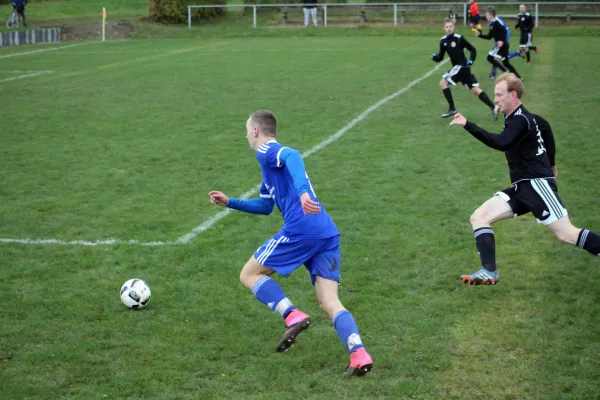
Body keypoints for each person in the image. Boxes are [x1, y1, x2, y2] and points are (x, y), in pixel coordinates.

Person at [208, 110, 373, 376]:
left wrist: (304, 192)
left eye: (246, 131)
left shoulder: (266, 151)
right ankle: (359, 353)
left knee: (249, 273)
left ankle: (292, 315)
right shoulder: (267, 167)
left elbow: (292, 155)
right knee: (329, 301)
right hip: (325, 232)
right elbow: (264, 206)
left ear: (255, 131)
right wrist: (231, 203)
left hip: (302, 230)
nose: (246, 137)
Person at [449, 73, 600, 285]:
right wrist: (552, 162)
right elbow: (545, 127)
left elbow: (502, 142)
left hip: (537, 185)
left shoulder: (520, 119)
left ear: (513, 95)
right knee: (479, 217)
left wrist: (468, 124)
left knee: (567, 234)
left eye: (499, 94)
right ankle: (489, 271)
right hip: (522, 187)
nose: (496, 99)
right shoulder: (521, 117)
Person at [432, 18, 498, 120]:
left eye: (450, 26)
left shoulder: (459, 38)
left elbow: (472, 49)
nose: (448, 29)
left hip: (461, 67)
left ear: (454, 27)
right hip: (462, 70)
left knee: (443, 83)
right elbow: (440, 57)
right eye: (446, 27)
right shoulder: (443, 41)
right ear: (444, 28)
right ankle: (494, 107)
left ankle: (452, 108)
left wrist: (471, 60)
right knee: (475, 90)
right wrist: (435, 58)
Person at [477, 7, 522, 81]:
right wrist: (480, 35)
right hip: (502, 44)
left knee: (490, 57)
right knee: (506, 63)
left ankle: (505, 72)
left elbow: (504, 30)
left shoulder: (497, 21)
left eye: (487, 15)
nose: (486, 16)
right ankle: (519, 78)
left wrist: (502, 41)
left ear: (491, 15)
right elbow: (489, 36)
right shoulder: (491, 24)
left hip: (502, 44)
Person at [489, 15, 521, 79]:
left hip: (503, 39)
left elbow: (505, 29)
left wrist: (504, 40)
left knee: (495, 56)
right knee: (501, 56)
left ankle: (494, 74)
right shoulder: (491, 21)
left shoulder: (497, 20)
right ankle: (517, 53)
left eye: (487, 14)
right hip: (499, 40)